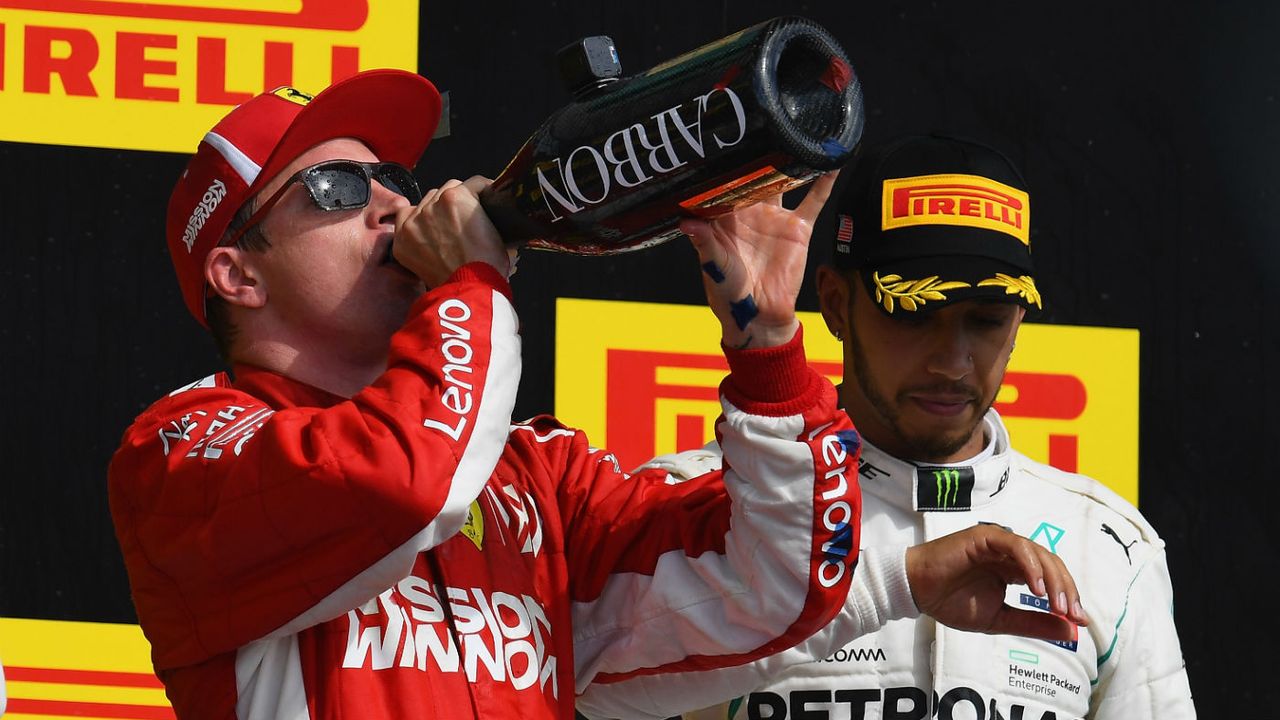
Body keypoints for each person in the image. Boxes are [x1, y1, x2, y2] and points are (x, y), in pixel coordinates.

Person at [107, 71, 1086, 719]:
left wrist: (765, 340)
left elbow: (774, 588)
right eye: (331, 192)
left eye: (392, 177)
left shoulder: (531, 476)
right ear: (235, 275)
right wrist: (469, 283)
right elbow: (404, 484)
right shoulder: (185, 456)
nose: (392, 204)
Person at [620, 134, 1195, 720]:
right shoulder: (701, 504)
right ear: (837, 304)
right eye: (915, 315)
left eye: (987, 320)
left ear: (1018, 319)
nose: (953, 361)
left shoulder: (1107, 546)